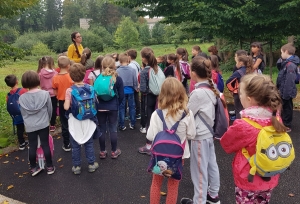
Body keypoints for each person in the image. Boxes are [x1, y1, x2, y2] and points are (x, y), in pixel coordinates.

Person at [220, 74, 285, 203]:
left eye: (240, 93)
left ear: (248, 99)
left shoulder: (244, 125)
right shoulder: (276, 118)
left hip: (248, 178)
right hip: (270, 175)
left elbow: (226, 144)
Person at [147, 78, 196, 204]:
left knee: (156, 183)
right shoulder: (187, 113)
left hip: (159, 156)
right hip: (179, 156)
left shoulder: (157, 114)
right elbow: (191, 134)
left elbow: (151, 136)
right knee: (173, 186)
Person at [180, 57, 221, 204]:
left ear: (194, 73)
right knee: (211, 164)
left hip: (199, 135)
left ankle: (199, 201)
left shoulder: (198, 93)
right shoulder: (212, 88)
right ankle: (213, 195)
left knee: (199, 172)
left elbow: (187, 113)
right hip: (209, 133)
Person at [64, 63, 99, 175]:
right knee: (89, 143)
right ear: (84, 74)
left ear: (70, 76)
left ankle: (77, 166)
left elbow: (65, 107)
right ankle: (91, 164)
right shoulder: (90, 88)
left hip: (75, 120)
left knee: (75, 144)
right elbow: (96, 102)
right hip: (89, 119)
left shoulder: (69, 90)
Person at [19, 70, 55, 176]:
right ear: (37, 80)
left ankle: (33, 168)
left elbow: (23, 113)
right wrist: (47, 120)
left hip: (30, 125)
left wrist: (28, 123)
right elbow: (50, 109)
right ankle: (50, 166)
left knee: (32, 146)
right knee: (45, 144)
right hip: (43, 123)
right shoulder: (45, 94)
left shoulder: (22, 98)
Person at [97, 56, 124, 159]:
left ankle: (102, 152)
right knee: (113, 129)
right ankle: (114, 151)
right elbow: (121, 95)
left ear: (102, 66)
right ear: (114, 66)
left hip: (100, 107)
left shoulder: (99, 77)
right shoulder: (117, 78)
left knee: (102, 129)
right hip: (113, 107)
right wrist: (117, 103)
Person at [138, 47, 160, 155]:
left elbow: (142, 88)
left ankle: (149, 145)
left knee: (149, 120)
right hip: (158, 97)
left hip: (148, 97)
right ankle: (158, 142)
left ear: (143, 58)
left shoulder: (144, 71)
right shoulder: (157, 67)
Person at [276, 43, 299, 132]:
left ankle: (287, 125)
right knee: (284, 107)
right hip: (283, 89)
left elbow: (290, 81)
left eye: (281, 52)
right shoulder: (286, 63)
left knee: (287, 108)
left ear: (286, 51)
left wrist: (286, 94)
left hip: (287, 91)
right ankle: (283, 123)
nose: (281, 55)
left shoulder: (290, 65)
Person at [52, 56, 73, 151]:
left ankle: (66, 144)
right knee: (73, 121)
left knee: (64, 123)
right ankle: (76, 141)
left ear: (58, 66)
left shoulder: (55, 78)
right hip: (72, 101)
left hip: (61, 102)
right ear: (69, 65)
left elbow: (55, 92)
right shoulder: (70, 76)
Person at [4, 75, 28, 150]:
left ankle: (22, 143)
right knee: (29, 126)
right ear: (17, 81)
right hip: (25, 113)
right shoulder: (23, 91)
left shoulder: (8, 95)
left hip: (17, 116)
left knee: (19, 128)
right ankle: (33, 140)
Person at [226, 55, 253, 119]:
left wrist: (232, 90)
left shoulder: (238, 72)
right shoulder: (250, 70)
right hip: (249, 93)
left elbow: (228, 82)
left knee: (238, 111)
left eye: (236, 62)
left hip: (239, 94)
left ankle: (239, 125)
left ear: (240, 63)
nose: (236, 64)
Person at [117, 53, 138, 130]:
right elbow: (135, 80)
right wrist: (136, 87)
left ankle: (122, 125)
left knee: (121, 108)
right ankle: (132, 123)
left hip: (121, 91)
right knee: (132, 107)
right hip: (131, 91)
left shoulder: (117, 70)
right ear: (128, 60)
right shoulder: (132, 70)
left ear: (119, 61)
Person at [38, 56, 58, 132]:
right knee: (53, 110)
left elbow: (38, 83)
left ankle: (45, 124)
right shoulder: (55, 73)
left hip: (44, 94)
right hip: (53, 94)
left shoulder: (40, 74)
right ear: (51, 63)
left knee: (45, 110)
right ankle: (52, 125)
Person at [127, 49, 141, 120]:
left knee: (134, 100)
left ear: (129, 57)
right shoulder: (137, 63)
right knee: (136, 99)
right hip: (137, 84)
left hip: (133, 85)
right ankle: (138, 113)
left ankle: (136, 113)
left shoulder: (130, 65)